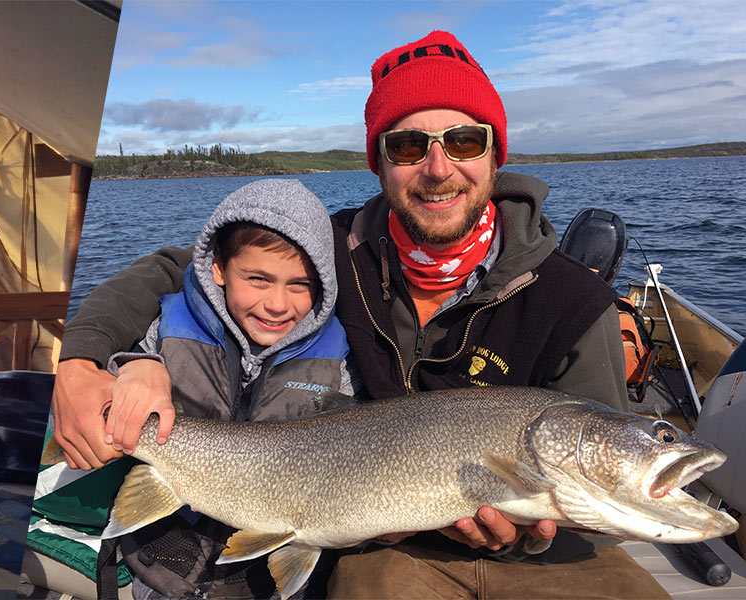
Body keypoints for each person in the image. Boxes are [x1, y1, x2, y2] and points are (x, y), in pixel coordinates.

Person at [53, 30, 663, 599]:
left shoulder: (575, 301)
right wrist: (81, 359)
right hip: (384, 545)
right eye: (407, 145)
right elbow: (176, 271)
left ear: (495, 154)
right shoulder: (329, 253)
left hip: (548, 558)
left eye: (464, 140)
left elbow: (601, 495)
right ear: (378, 162)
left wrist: (532, 531)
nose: (438, 167)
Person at [99, 179, 353, 599]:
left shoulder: (337, 366)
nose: (276, 303)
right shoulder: (166, 330)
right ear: (217, 267)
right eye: (257, 278)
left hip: (268, 572)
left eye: (300, 285)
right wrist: (137, 365)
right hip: (165, 558)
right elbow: (117, 379)